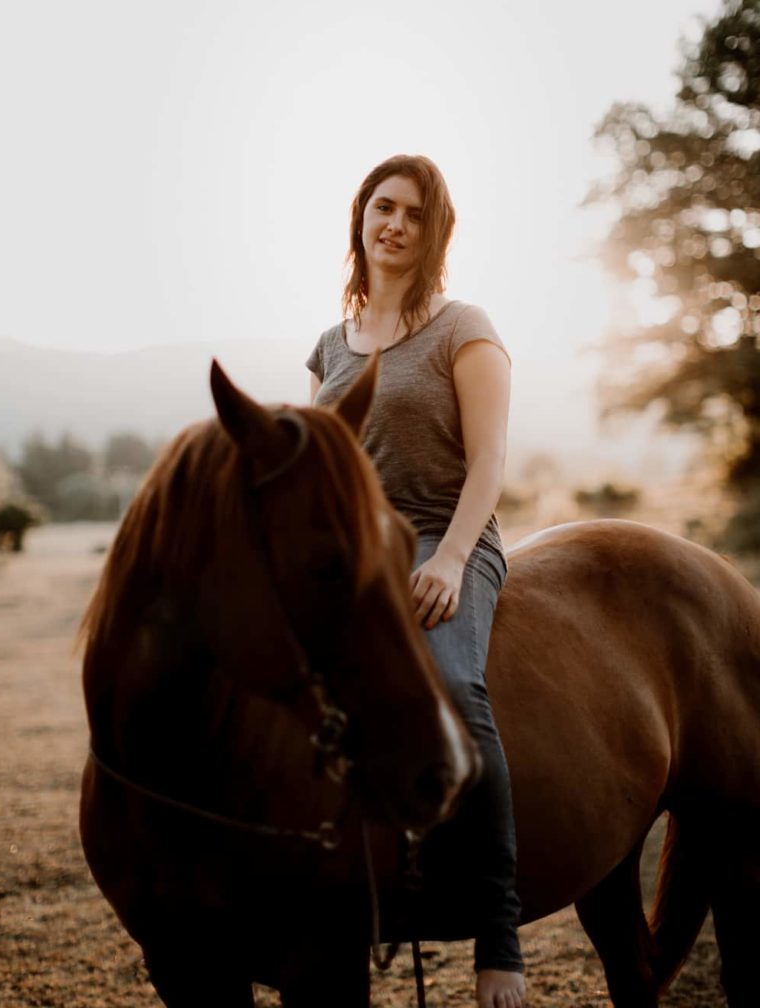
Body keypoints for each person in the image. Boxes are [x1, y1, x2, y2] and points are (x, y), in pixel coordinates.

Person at [306, 154, 526, 1008]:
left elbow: (490, 459)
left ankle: (499, 933)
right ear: (360, 218)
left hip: (447, 535)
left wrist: (450, 557)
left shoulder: (463, 327)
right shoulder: (330, 345)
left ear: (436, 233)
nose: (394, 224)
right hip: (359, 554)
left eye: (414, 213)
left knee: (450, 686)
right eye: (382, 207)